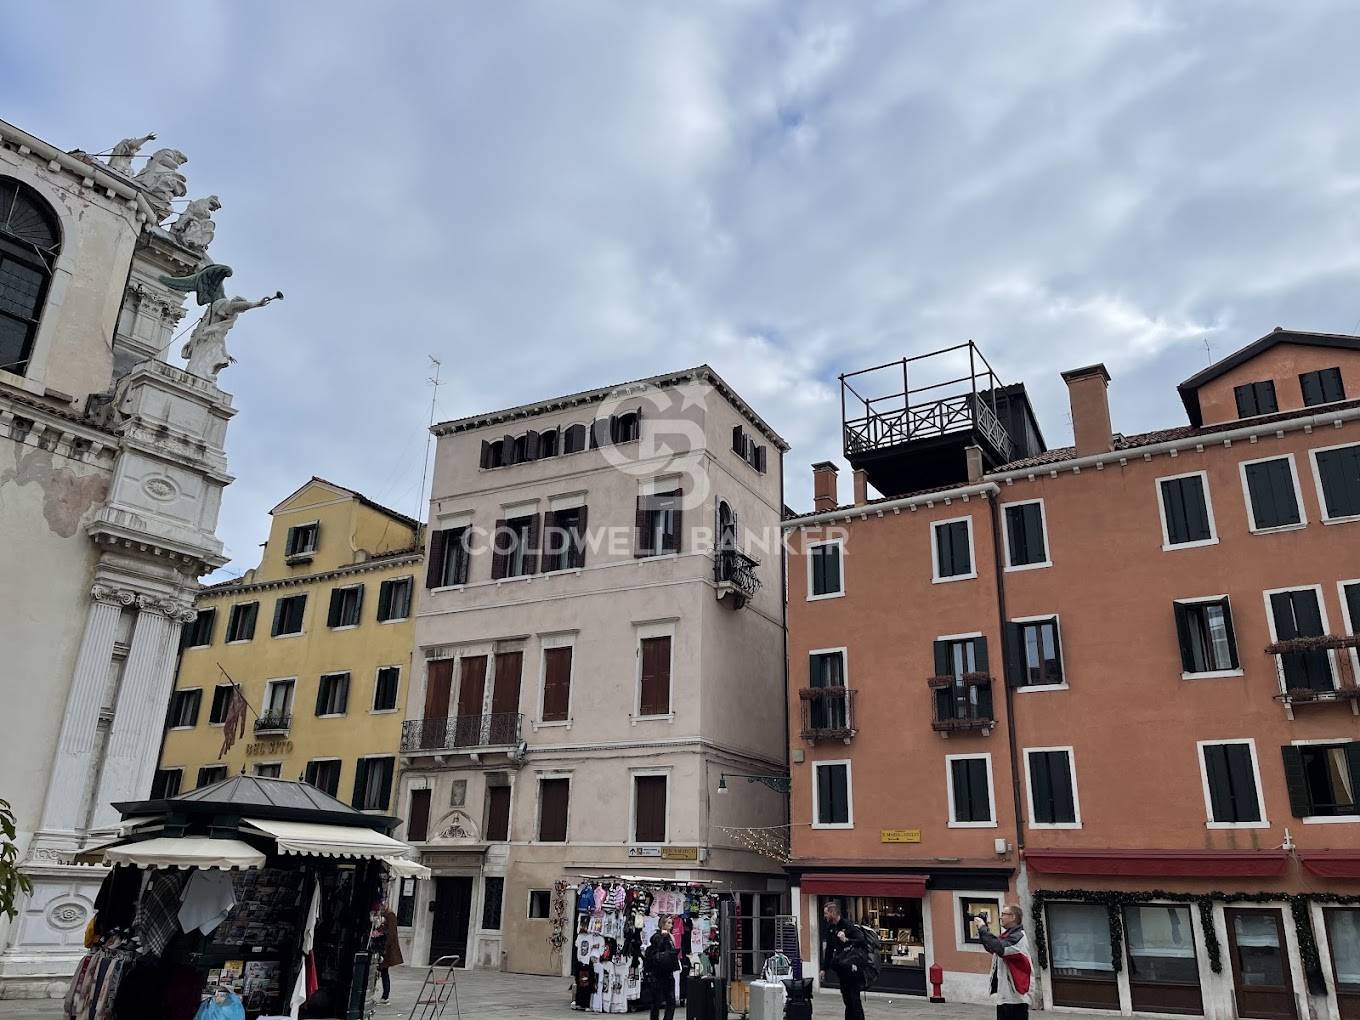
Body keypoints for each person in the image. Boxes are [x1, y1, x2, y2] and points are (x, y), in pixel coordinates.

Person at [976, 904, 1033, 1020]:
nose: (1000, 917)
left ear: (1013, 917)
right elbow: (991, 947)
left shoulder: (1017, 937)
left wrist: (983, 928)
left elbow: (999, 948)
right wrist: (982, 930)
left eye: (1003, 914)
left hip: (1016, 996)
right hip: (1006, 995)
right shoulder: (1007, 936)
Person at [819, 901, 867, 1020]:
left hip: (853, 969)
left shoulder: (848, 925)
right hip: (842, 969)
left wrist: (846, 939)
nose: (824, 916)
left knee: (854, 999)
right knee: (847, 1000)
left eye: (826, 913)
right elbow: (829, 950)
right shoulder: (831, 928)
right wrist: (824, 969)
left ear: (833, 913)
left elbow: (861, 941)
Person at [644, 915, 680, 1020]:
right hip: (658, 973)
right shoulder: (658, 936)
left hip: (668, 972)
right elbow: (659, 950)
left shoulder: (670, 936)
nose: (670, 925)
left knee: (670, 1001)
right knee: (656, 1002)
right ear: (662, 924)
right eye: (668, 923)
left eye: (671, 923)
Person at [377, 904, 403, 1002]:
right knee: (383, 971)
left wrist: (384, 947)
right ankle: (384, 995)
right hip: (383, 946)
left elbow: (391, 933)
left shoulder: (390, 915)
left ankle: (385, 995)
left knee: (384, 971)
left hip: (387, 949)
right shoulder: (384, 915)